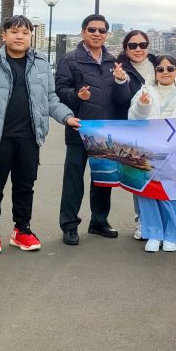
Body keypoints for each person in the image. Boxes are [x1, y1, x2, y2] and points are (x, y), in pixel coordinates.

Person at [0, 15, 80, 254]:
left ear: (31, 36)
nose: (20, 36)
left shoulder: (40, 64)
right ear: (4, 35)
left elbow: (50, 99)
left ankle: (22, 230)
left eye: (25, 33)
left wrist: (67, 117)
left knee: (25, 186)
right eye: (15, 32)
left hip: (30, 138)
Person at [55, 14, 130, 246]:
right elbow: (59, 92)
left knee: (102, 180)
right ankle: (69, 225)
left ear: (106, 34)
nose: (97, 34)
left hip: (105, 131)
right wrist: (77, 96)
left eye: (101, 30)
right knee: (73, 179)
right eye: (92, 29)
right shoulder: (70, 60)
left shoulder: (113, 62)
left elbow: (123, 99)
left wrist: (120, 81)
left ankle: (99, 221)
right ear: (83, 32)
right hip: (80, 128)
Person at [128, 54, 176, 253]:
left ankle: (171, 234)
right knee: (148, 193)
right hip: (147, 150)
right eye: (161, 69)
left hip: (173, 152)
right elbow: (133, 118)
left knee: (169, 194)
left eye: (170, 69)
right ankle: (153, 233)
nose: (165, 72)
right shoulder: (144, 91)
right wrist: (143, 105)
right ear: (155, 72)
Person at [116, 30, 156, 241]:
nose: (138, 49)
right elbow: (121, 101)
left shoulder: (159, 64)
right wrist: (121, 81)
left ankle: (158, 220)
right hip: (135, 130)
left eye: (143, 44)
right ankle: (141, 219)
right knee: (139, 174)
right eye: (133, 45)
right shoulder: (122, 69)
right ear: (126, 48)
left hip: (159, 130)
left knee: (160, 176)